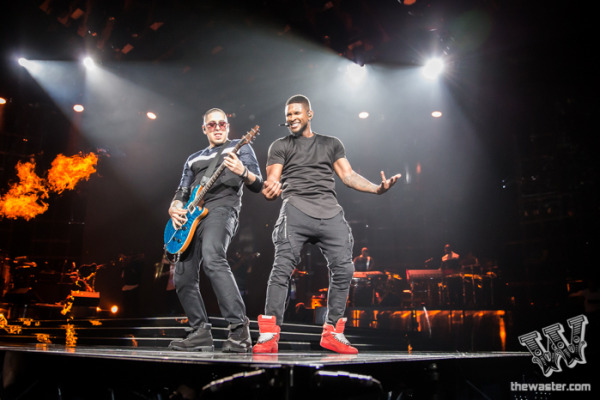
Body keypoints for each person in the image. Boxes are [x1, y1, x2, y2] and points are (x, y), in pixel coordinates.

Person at [254, 94, 401, 354]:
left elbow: (348, 175)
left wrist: (377, 189)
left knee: (344, 269)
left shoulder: (331, 143)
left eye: (297, 113)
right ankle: (268, 335)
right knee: (282, 269)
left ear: (310, 114)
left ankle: (333, 333)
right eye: (288, 114)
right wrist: (270, 190)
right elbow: (272, 179)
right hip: (296, 208)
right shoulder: (280, 145)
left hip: (331, 213)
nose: (291, 118)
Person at [167, 108, 263, 352]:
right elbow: (182, 190)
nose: (217, 127)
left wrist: (243, 171)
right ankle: (199, 332)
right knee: (182, 273)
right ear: (204, 129)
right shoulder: (193, 158)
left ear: (228, 126)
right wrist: (175, 207)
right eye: (212, 124)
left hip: (222, 208)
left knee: (212, 257)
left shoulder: (240, 148)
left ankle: (239, 330)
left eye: (222, 123)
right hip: (191, 215)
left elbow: (258, 183)